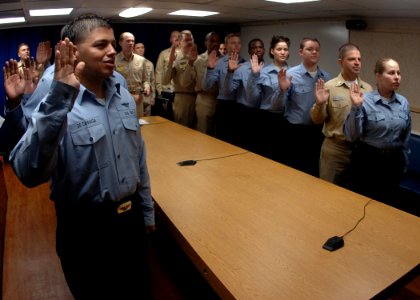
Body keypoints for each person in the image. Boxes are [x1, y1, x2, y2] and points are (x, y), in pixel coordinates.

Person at [9, 14, 155, 299]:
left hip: (130, 221)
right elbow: (29, 173)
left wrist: (146, 209)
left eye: (112, 44)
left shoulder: (122, 91)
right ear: (73, 51)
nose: (112, 51)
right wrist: (59, 98)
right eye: (101, 45)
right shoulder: (54, 99)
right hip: (85, 231)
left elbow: (138, 155)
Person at [344, 58, 411, 206]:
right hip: (368, 160)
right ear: (378, 76)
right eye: (391, 73)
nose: (397, 77)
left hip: (393, 162)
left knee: (388, 206)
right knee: (360, 204)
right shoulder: (364, 100)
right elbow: (352, 136)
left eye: (398, 73)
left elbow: (405, 139)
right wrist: (356, 107)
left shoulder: (403, 102)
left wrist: (404, 164)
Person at [311, 43, 372, 187]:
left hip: (360, 150)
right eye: (351, 59)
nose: (357, 62)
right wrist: (320, 104)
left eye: (359, 59)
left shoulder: (368, 89)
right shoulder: (329, 87)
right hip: (336, 150)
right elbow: (317, 120)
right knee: (328, 190)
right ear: (340, 62)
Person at [281, 37, 331, 176]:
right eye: (310, 49)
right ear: (301, 52)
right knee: (293, 172)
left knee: (313, 172)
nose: (314, 52)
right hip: (295, 132)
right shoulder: (290, 75)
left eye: (317, 50)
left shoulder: (326, 77)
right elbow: (279, 105)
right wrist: (282, 90)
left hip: (317, 133)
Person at [247, 35, 290, 160]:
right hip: (268, 118)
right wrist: (254, 75)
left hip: (286, 118)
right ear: (272, 51)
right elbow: (252, 98)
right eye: (279, 49)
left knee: (284, 157)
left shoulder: (293, 72)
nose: (283, 52)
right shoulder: (264, 71)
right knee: (266, 155)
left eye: (285, 49)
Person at [202, 33, 245, 144]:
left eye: (239, 43)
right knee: (223, 140)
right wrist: (210, 69)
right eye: (233, 43)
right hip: (225, 105)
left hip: (241, 105)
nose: (237, 45)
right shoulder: (220, 62)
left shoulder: (245, 63)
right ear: (226, 45)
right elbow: (206, 86)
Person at [223, 38, 265, 151]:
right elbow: (227, 91)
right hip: (244, 113)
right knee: (242, 147)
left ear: (264, 50)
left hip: (263, 114)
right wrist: (230, 72)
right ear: (249, 51)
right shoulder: (241, 69)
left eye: (260, 47)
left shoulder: (268, 69)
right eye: (254, 48)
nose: (258, 50)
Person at [162, 30, 197, 127]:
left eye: (191, 40)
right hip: (182, 98)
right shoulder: (176, 58)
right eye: (186, 40)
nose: (190, 42)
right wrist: (170, 62)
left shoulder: (199, 58)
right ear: (180, 43)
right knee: (183, 129)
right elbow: (164, 81)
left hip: (197, 98)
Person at [189, 31, 221, 135]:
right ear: (206, 43)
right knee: (204, 132)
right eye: (212, 41)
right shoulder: (199, 60)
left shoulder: (225, 60)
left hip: (221, 100)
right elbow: (191, 80)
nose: (215, 44)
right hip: (205, 99)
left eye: (217, 41)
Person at [115, 32, 151, 118]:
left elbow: (145, 80)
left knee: (139, 124)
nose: (131, 43)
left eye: (132, 41)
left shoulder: (141, 60)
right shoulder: (114, 60)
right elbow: (111, 82)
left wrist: (147, 87)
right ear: (120, 43)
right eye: (128, 41)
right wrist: (128, 96)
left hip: (138, 99)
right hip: (120, 98)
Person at [155, 30, 180, 111]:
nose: (176, 38)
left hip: (181, 92)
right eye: (174, 36)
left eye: (179, 36)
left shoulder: (186, 54)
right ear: (170, 39)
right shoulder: (164, 53)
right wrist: (159, 91)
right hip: (167, 91)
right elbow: (158, 72)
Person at [134, 42, 156, 116]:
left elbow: (152, 81)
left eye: (142, 47)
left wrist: (153, 97)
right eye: (138, 48)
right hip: (135, 96)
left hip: (147, 97)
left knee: (147, 120)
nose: (140, 49)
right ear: (133, 50)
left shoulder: (150, 64)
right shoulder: (130, 63)